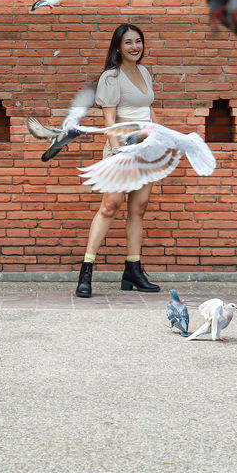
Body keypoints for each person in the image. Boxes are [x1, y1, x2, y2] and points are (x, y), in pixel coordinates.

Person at [76, 23, 161, 297]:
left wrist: (160, 138)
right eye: (128, 42)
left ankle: (133, 270)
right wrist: (116, 153)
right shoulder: (111, 77)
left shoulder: (145, 72)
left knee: (139, 208)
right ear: (118, 47)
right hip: (122, 149)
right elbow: (109, 120)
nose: (135, 47)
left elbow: (148, 110)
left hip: (146, 150)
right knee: (110, 205)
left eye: (138, 41)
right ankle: (86, 271)